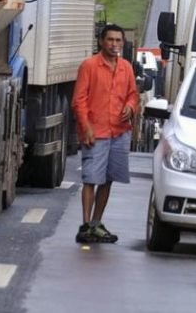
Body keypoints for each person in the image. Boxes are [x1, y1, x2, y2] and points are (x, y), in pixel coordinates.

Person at [72, 24, 139, 244]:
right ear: (101, 41)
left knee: (108, 179)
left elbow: (132, 95)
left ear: (123, 43)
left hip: (119, 133)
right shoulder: (89, 66)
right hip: (97, 132)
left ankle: (96, 223)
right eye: (110, 40)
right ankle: (85, 225)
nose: (114, 44)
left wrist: (130, 106)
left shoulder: (126, 68)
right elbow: (78, 101)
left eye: (118, 40)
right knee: (91, 178)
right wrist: (86, 128)